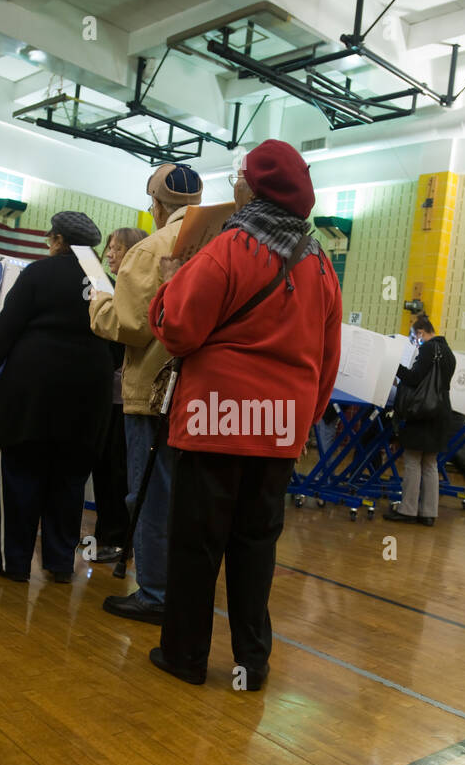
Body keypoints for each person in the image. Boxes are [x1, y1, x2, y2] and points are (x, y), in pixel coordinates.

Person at [146, 138, 342, 689]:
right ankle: (250, 664)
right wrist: (301, 423)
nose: (234, 182)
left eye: (240, 174)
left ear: (252, 187)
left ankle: (185, 657)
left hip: (216, 422)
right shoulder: (321, 262)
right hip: (279, 428)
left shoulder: (230, 247)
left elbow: (180, 330)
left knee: (197, 546)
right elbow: (327, 359)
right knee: (256, 550)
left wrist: (167, 285)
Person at [0, 211, 112, 585]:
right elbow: (118, 338)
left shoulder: (38, 273)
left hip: (34, 389)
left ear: (58, 240)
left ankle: (13, 563)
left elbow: (7, 327)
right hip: (89, 393)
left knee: (22, 474)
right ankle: (60, 563)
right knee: (70, 478)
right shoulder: (104, 281)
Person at [89, 163, 203, 624]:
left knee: (150, 496)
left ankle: (155, 593)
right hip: (199, 394)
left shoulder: (151, 249)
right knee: (185, 498)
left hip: (152, 391)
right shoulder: (218, 245)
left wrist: (97, 303)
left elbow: (131, 327)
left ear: (156, 206)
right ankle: (180, 590)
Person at [89, 228, 146, 564]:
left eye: (118, 248)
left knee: (118, 474)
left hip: (129, 399)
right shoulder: (110, 288)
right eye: (109, 248)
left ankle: (117, 539)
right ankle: (105, 535)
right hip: (110, 398)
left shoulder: (132, 291)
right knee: (105, 471)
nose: (110, 254)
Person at [383, 316, 455, 525]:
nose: (415, 340)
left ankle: (408, 510)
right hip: (441, 412)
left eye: (415, 336)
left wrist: (394, 367)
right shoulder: (449, 353)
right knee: (430, 463)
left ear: (421, 332)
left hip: (423, 412)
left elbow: (415, 379)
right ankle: (429, 513)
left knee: (413, 460)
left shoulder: (428, 349)